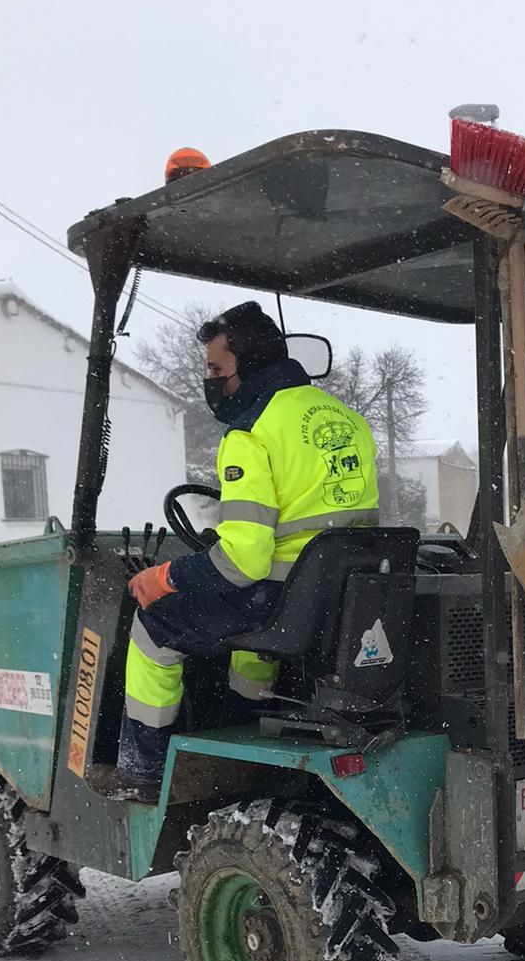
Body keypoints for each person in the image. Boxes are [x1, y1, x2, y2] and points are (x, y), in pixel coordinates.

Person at [116, 302, 379, 794]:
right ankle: (241, 727)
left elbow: (243, 560)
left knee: (154, 627)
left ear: (251, 362)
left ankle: (144, 770)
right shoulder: (348, 420)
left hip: (282, 598)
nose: (211, 381)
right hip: (340, 600)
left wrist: (164, 576)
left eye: (217, 369)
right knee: (249, 635)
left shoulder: (250, 433)